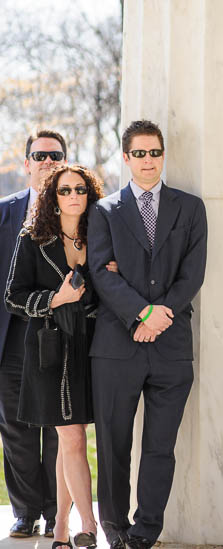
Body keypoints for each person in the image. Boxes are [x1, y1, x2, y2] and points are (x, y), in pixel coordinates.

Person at [87, 120, 208, 549]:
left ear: (163, 155)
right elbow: (101, 272)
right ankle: (115, 530)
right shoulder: (103, 211)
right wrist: (141, 313)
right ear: (126, 158)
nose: (148, 160)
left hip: (172, 347)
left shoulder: (190, 208)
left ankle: (144, 534)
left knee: (160, 448)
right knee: (114, 444)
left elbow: (192, 274)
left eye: (154, 152)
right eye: (139, 153)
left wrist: (160, 314)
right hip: (116, 346)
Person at [5, 164, 104, 549]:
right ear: (53, 196)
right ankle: (89, 525)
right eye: (64, 190)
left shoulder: (100, 236)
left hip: (89, 347)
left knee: (68, 443)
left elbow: (106, 292)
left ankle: (61, 525)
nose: (73, 196)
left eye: (80, 189)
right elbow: (13, 296)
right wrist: (55, 299)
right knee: (74, 437)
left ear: (90, 194)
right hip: (48, 353)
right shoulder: (33, 237)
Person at [0, 130, 64, 539]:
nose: (47, 161)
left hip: (61, 337)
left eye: (55, 154)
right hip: (11, 340)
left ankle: (58, 513)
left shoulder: (80, 208)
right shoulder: (4, 213)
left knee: (60, 431)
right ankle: (25, 513)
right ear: (26, 163)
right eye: (39, 155)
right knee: (17, 432)